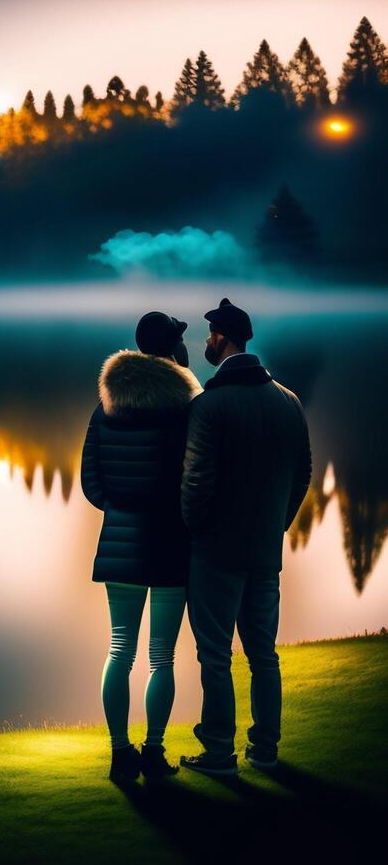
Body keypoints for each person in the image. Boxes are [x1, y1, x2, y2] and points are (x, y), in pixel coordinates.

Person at [180, 298, 311, 775]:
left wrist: (198, 532)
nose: (207, 340)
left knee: (215, 655)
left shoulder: (210, 404)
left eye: (211, 334)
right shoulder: (289, 401)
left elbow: (195, 482)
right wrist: (278, 524)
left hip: (216, 551)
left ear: (224, 338)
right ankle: (266, 749)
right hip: (264, 550)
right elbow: (303, 476)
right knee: (263, 654)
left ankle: (218, 751)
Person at [81, 311, 202, 782]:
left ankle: (118, 753)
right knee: (162, 657)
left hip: (121, 543)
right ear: (174, 353)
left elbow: (91, 483)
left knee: (119, 650)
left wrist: (121, 509)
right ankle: (153, 752)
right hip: (172, 543)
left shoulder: (105, 408)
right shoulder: (186, 410)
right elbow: (192, 480)